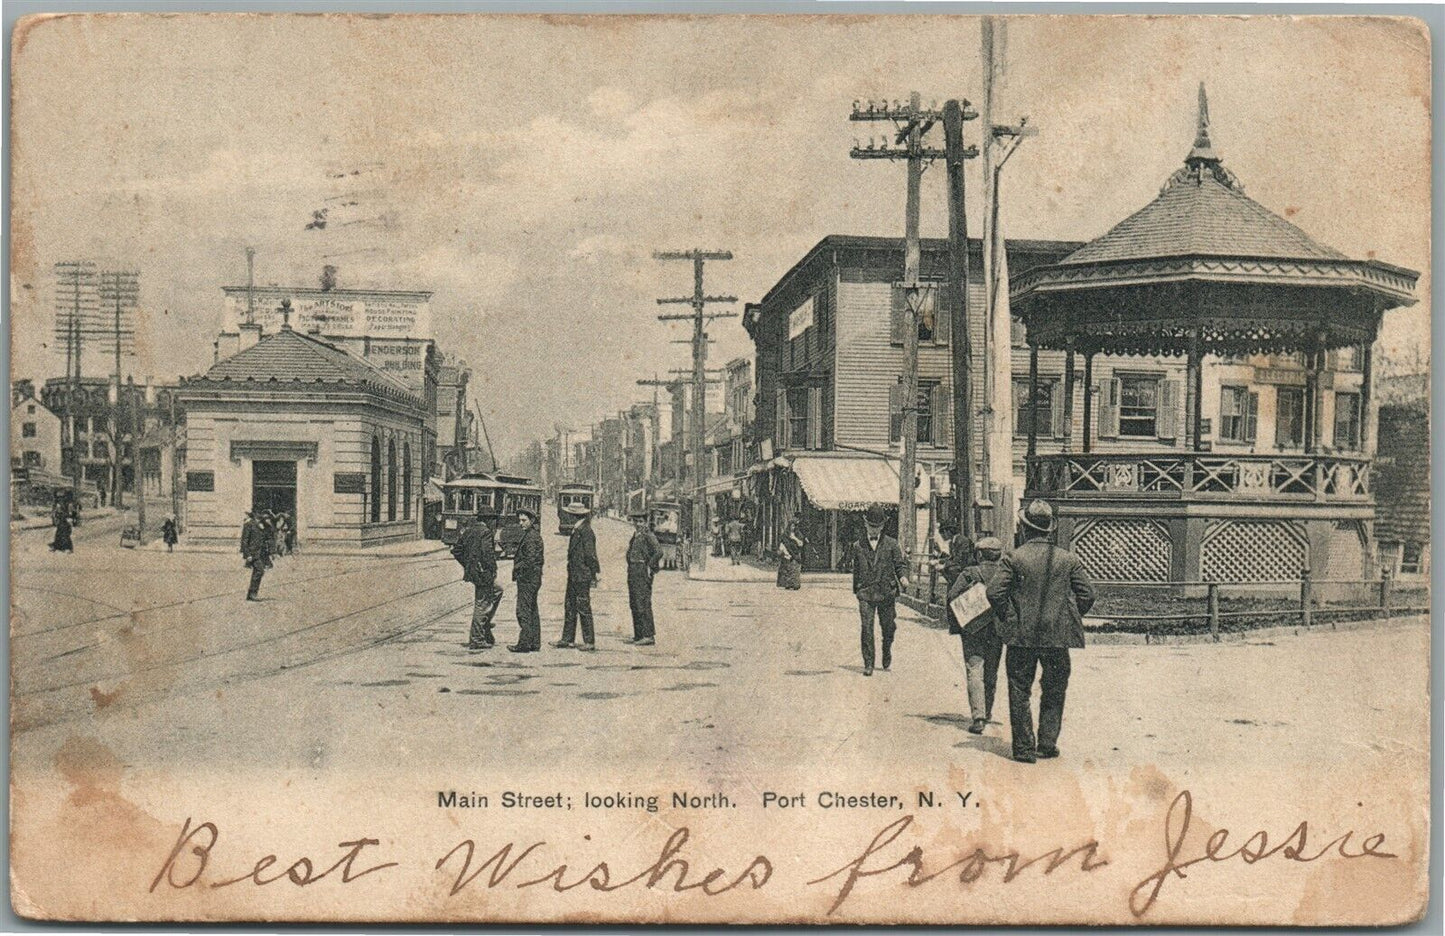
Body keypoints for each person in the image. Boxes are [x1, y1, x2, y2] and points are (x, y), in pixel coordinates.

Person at [986, 500, 1095, 763]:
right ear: (1049, 529)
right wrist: (1066, 618)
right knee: (1055, 688)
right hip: (1057, 637)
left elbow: (994, 592)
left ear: (1024, 528)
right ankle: (1047, 743)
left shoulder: (1013, 557)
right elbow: (1088, 594)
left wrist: (1011, 617)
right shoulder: (1068, 559)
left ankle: (1024, 748)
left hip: (1021, 636)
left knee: (1019, 689)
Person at [948, 536, 1005, 734]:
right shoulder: (1005, 574)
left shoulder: (970, 573)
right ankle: (987, 712)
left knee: (974, 669)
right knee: (991, 670)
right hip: (997, 629)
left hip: (973, 629)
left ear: (979, 554)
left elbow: (952, 596)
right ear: (999, 555)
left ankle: (978, 717)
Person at [849, 505, 909, 676]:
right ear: (865, 524)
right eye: (871, 526)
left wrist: (903, 577)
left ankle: (886, 648)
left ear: (882, 526)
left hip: (886, 592)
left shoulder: (892, 544)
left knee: (888, 627)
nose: (874, 529)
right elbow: (856, 570)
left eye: (877, 526)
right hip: (866, 593)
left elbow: (900, 565)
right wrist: (858, 589)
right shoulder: (858, 546)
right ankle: (868, 663)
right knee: (866, 627)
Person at [554, 503, 600, 650]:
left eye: (568, 514)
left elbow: (591, 555)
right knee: (570, 605)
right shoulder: (579, 529)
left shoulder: (585, 531)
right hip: (574, 574)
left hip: (581, 575)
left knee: (583, 607)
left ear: (573, 516)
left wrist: (593, 574)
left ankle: (589, 642)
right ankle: (567, 639)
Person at [453, 515, 502, 650]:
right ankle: (477, 639)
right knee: (481, 604)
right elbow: (487, 554)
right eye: (493, 520)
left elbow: (456, 551)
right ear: (488, 520)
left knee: (498, 590)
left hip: (475, 573)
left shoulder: (469, 530)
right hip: (483, 573)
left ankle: (484, 623)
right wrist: (492, 569)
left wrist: (468, 565)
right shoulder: (485, 532)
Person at [508, 508, 544, 653]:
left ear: (532, 520)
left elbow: (529, 560)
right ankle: (534, 642)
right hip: (533, 578)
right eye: (520, 520)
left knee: (523, 611)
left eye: (524, 520)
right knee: (532, 610)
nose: (521, 523)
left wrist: (517, 568)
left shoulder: (531, 537)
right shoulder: (532, 535)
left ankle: (524, 644)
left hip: (527, 579)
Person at [624, 509, 662, 646]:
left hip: (642, 571)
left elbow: (659, 552)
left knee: (643, 603)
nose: (638, 524)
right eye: (636, 521)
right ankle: (638, 634)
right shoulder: (636, 535)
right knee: (634, 603)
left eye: (641, 521)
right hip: (633, 570)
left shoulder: (648, 535)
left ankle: (648, 635)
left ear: (645, 522)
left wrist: (649, 566)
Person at [934, 522, 976, 590]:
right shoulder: (952, 542)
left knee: (950, 570)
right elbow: (952, 558)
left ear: (948, 531)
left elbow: (959, 559)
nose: (942, 536)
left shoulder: (963, 540)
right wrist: (938, 561)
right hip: (960, 567)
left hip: (967, 568)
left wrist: (944, 565)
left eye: (942, 533)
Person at [241, 509, 270, 601]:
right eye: (259, 513)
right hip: (252, 553)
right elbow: (244, 541)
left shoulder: (263, 524)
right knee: (259, 571)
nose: (261, 515)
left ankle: (251, 594)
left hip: (261, 553)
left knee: (258, 571)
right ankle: (252, 593)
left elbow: (267, 538)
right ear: (255, 514)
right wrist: (247, 554)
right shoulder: (249, 524)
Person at [776, 519, 804, 590]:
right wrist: (785, 552)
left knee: (795, 570)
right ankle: (787, 584)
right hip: (787, 554)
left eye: (794, 526)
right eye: (791, 526)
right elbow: (782, 543)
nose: (793, 528)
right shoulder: (785, 534)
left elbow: (801, 544)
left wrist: (795, 538)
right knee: (787, 569)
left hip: (796, 554)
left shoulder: (798, 534)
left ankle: (795, 584)